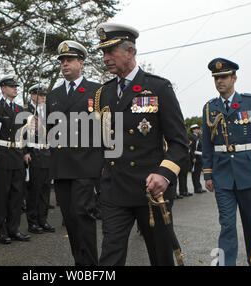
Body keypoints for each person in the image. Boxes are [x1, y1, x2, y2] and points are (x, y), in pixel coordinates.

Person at [94, 23, 189, 266]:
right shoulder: (103, 94)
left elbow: (179, 143)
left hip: (151, 191)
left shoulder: (158, 88)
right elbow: (102, 142)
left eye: (111, 51)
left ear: (130, 51)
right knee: (109, 258)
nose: (105, 58)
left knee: (160, 257)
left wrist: (164, 174)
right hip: (114, 190)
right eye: (103, 52)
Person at [202, 58, 251, 266]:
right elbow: (207, 146)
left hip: (249, 175)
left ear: (234, 78)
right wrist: (208, 174)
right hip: (222, 177)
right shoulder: (210, 108)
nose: (219, 81)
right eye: (216, 78)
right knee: (226, 225)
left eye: (224, 77)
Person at [46, 40, 103, 266]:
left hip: (86, 164)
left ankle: (90, 266)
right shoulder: (54, 95)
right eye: (62, 60)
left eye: (69, 60)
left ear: (81, 62)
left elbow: (107, 128)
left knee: (83, 215)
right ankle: (79, 263)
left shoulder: (97, 91)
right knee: (69, 219)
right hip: (62, 165)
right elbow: (51, 131)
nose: (65, 64)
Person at [0, 75, 31, 245]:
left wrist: (24, 151)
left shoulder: (19, 110)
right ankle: (1, 231)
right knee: (2, 195)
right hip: (1, 155)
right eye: (11, 86)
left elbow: (22, 135)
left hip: (17, 155)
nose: (15, 88)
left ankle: (14, 229)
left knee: (17, 195)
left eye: (16, 86)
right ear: (3, 89)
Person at [24, 84, 55, 234]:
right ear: (32, 95)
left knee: (45, 189)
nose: (43, 98)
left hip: (47, 152)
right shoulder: (26, 112)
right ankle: (33, 221)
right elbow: (21, 134)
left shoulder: (48, 112)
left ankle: (43, 220)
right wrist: (26, 151)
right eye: (40, 95)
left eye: (44, 95)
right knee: (34, 190)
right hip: (34, 151)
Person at [189, 124, 206, 193]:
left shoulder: (199, 137)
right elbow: (190, 148)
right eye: (197, 129)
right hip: (195, 156)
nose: (198, 130)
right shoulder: (191, 137)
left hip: (199, 156)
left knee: (198, 173)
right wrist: (193, 157)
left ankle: (199, 187)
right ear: (193, 130)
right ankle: (197, 188)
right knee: (195, 173)